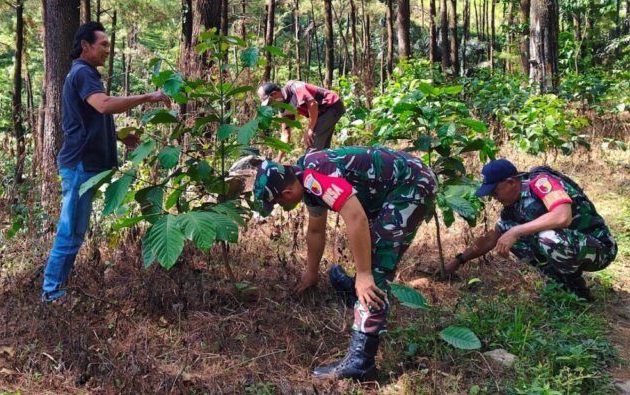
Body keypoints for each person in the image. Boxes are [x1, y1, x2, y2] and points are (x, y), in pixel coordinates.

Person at [253, 146, 437, 381]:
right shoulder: (305, 177)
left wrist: (364, 274)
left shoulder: (314, 177)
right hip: (397, 184)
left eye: (278, 202)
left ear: (286, 193)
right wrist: (311, 272)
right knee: (372, 247)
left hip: (411, 184)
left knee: (379, 260)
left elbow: (355, 217)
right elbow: (316, 229)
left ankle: (361, 362)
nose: (282, 206)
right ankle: (356, 292)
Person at [42, 21, 171, 303]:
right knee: (70, 229)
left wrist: (121, 137)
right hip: (79, 165)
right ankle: (51, 293)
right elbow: (103, 104)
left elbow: (93, 117)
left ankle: (57, 289)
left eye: (109, 45)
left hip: (84, 165)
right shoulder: (83, 73)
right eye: (103, 44)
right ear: (85, 45)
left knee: (75, 229)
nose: (107, 50)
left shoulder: (82, 74)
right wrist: (147, 96)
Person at [443, 159, 617, 301]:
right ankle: (563, 288)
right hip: (575, 247)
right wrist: (459, 260)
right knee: (508, 233)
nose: (495, 198)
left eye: (496, 192)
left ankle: (578, 291)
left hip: (599, 248)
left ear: (511, 182)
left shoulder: (541, 182)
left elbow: (562, 216)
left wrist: (516, 231)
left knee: (547, 237)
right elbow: (491, 238)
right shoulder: (512, 208)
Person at [257, 81, 345, 160]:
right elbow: (285, 135)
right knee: (322, 150)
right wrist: (279, 158)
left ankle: (308, 171)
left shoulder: (293, 87)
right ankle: (327, 172)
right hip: (321, 114)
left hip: (332, 105)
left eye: (269, 102)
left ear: (274, 94)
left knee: (313, 144)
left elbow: (312, 103)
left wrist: (310, 129)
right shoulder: (283, 109)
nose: (270, 106)